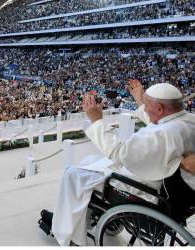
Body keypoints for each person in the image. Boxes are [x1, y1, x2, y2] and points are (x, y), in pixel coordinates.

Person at [42, 80, 195, 246]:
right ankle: (70, 219)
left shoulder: (163, 133)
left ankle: (69, 234)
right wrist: (139, 99)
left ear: (160, 108)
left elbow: (120, 153)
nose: (145, 108)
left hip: (147, 188)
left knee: (73, 174)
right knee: (89, 162)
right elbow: (155, 120)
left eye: (147, 104)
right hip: (171, 187)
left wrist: (96, 121)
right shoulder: (186, 120)